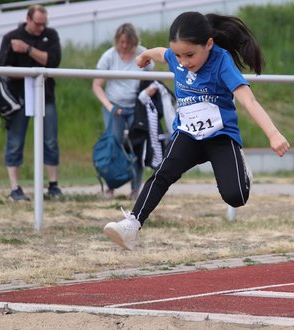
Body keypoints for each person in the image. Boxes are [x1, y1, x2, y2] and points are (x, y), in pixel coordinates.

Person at [103, 11, 290, 250]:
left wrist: (273, 134)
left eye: (190, 55)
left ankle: (240, 171)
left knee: (236, 197)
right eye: (179, 55)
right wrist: (145, 56)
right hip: (188, 134)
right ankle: (131, 225)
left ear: (209, 44)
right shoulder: (177, 56)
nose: (183, 62)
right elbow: (163, 53)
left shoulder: (221, 62)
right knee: (162, 174)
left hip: (220, 136)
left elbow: (248, 101)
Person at [0, 4, 62, 201]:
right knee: (15, 141)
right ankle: (15, 188)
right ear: (28, 19)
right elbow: (2, 68)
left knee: (50, 140)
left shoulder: (51, 35)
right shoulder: (10, 36)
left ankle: (53, 185)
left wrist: (27, 49)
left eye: (44, 24)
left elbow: (52, 61)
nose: (41, 28)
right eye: (38, 24)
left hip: (45, 96)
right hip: (17, 98)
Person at [92, 23, 157, 200]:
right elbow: (97, 85)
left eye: (128, 42)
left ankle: (135, 188)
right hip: (114, 107)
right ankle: (110, 186)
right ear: (117, 41)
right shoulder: (109, 56)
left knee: (136, 146)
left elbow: (152, 80)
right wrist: (110, 107)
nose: (125, 45)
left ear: (134, 41)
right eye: (122, 42)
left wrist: (150, 91)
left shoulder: (143, 53)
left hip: (136, 106)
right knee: (113, 145)